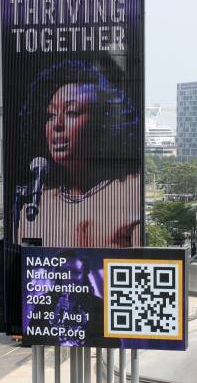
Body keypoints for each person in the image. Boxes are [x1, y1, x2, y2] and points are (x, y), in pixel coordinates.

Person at [15, 60, 142, 248]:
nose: (57, 125)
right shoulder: (35, 206)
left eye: (71, 112)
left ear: (103, 123)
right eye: (50, 115)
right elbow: (25, 269)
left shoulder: (131, 191)